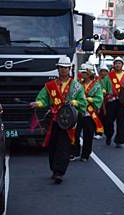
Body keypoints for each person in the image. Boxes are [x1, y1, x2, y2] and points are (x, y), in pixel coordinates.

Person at [30, 56, 86, 184]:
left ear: (69, 69)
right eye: (61, 67)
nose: (63, 70)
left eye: (66, 68)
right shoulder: (50, 86)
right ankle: (54, 169)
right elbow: (43, 99)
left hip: (68, 122)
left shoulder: (76, 86)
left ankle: (59, 172)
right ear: (58, 69)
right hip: (54, 120)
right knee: (53, 146)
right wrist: (37, 104)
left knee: (64, 146)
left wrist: (73, 102)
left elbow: (83, 102)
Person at [72, 64, 104, 162]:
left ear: (89, 73)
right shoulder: (78, 84)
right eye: (82, 72)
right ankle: (75, 152)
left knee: (88, 135)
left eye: (85, 72)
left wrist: (91, 99)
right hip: (78, 112)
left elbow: (99, 98)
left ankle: (85, 154)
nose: (83, 74)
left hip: (89, 113)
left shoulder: (96, 85)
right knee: (75, 134)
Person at [101, 56, 124, 148]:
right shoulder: (109, 76)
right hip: (111, 101)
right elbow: (102, 87)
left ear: (122, 65)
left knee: (122, 122)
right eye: (116, 63)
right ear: (113, 65)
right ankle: (108, 135)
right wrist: (104, 91)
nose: (117, 65)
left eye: (119, 63)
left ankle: (119, 140)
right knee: (108, 121)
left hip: (122, 102)